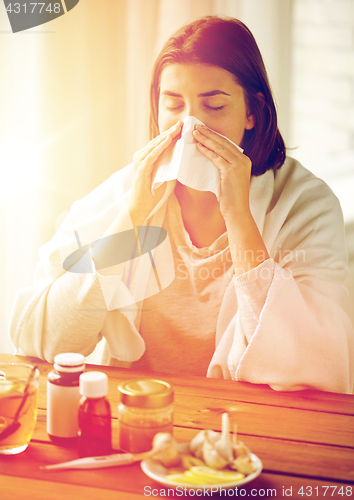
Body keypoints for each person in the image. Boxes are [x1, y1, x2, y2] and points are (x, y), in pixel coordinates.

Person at [9, 16, 354, 393]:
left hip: (248, 426)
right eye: (174, 105)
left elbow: (313, 360)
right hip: (138, 414)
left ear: (252, 112)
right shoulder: (127, 192)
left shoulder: (306, 204)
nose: (191, 127)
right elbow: (39, 337)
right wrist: (131, 220)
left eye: (215, 106)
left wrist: (238, 217)